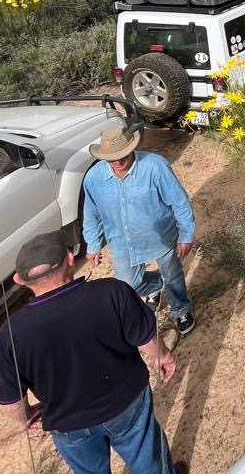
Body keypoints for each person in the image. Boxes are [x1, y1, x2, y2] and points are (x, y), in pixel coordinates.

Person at [0, 231, 183, 474]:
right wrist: (163, 358)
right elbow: (147, 340)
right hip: (127, 404)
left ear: (19, 280)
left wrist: (26, 417)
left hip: (68, 425)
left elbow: (10, 402)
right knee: (150, 465)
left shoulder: (11, 333)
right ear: (70, 259)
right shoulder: (112, 292)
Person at [83, 120, 197, 334]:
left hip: (160, 237)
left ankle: (180, 309)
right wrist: (93, 244)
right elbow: (91, 214)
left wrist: (186, 235)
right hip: (122, 241)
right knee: (128, 285)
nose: (118, 162)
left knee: (172, 276)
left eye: (123, 155)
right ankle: (155, 285)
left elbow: (179, 202)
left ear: (132, 148)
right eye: (112, 158)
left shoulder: (155, 166)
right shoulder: (93, 179)